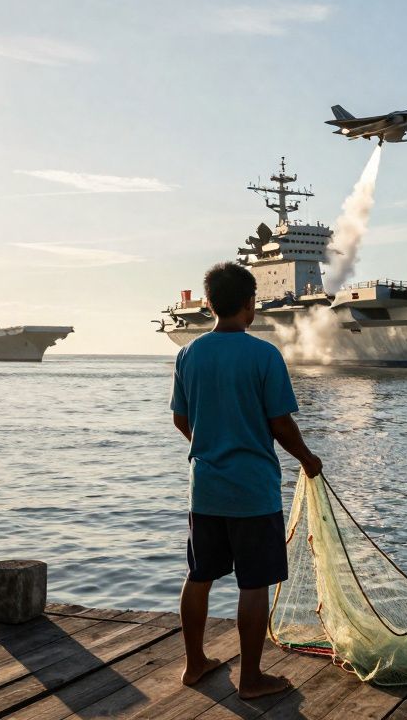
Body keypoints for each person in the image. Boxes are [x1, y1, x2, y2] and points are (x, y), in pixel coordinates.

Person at [169, 261, 324, 699]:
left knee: (198, 575)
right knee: (253, 583)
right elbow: (280, 423)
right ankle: (251, 678)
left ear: (211, 303)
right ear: (250, 304)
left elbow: (182, 419)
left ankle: (194, 663)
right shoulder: (264, 355)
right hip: (252, 490)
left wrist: (210, 443)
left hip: (206, 488)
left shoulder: (188, 353)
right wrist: (308, 458)